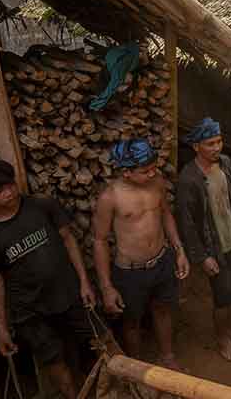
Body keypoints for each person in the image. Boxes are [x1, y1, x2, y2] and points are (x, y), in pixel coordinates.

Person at [0, 160, 96, 399]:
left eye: (10, 185)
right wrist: (2, 328)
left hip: (69, 293)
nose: (9, 193)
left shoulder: (41, 205)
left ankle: (117, 383)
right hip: (30, 311)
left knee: (97, 341)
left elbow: (68, 240)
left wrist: (84, 282)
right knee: (54, 360)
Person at [92, 139, 190, 370]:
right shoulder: (110, 198)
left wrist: (179, 250)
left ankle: (167, 356)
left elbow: (166, 214)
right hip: (129, 272)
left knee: (164, 309)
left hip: (162, 261)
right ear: (126, 172)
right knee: (131, 321)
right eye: (144, 171)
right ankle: (136, 367)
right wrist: (107, 287)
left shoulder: (157, 183)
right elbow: (99, 241)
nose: (152, 173)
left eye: (153, 167)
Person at [176, 117, 231, 361]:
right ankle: (222, 340)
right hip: (215, 247)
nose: (216, 147)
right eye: (210, 143)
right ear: (196, 146)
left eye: (219, 141)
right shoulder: (189, 179)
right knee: (221, 298)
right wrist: (202, 256)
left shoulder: (225, 164)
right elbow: (187, 225)